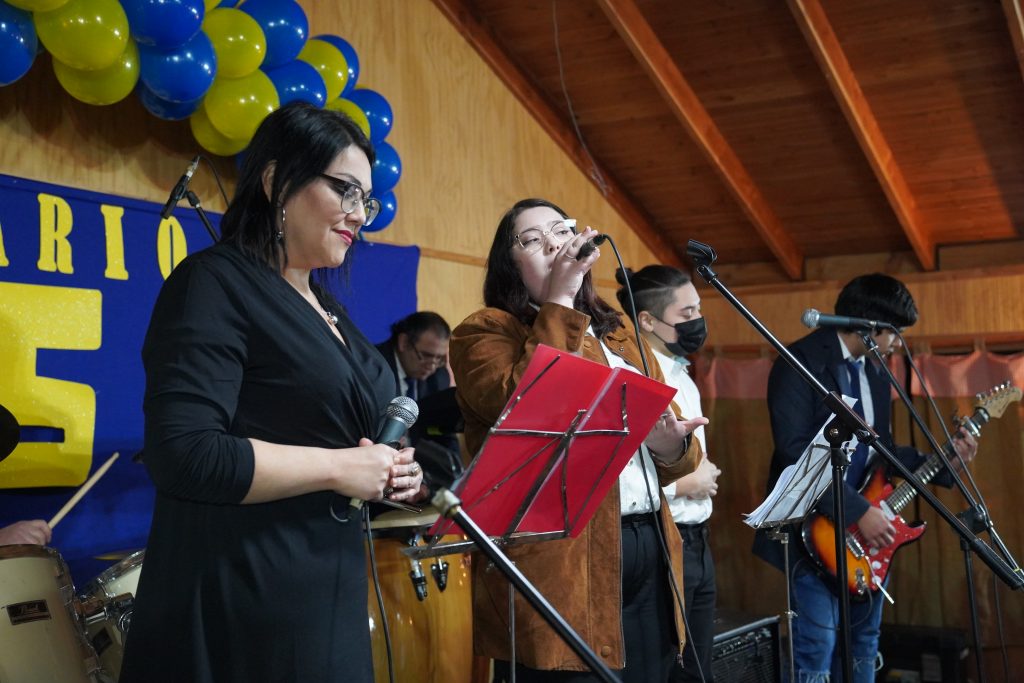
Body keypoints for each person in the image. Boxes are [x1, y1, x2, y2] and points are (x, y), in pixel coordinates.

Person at [119, 102, 423, 683]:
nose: (359, 214)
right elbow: (184, 454)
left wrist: (394, 472)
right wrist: (341, 467)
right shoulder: (213, 282)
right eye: (345, 190)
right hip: (240, 598)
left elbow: (347, 439)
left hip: (325, 593)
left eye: (367, 199)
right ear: (275, 181)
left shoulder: (325, 306)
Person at [449, 198, 708, 683]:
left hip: (649, 543)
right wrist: (560, 299)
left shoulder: (619, 330)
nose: (553, 244)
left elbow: (680, 457)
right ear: (510, 265)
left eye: (561, 230)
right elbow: (529, 405)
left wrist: (669, 444)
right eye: (532, 239)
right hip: (558, 560)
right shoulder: (483, 332)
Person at [752, 273, 977, 682]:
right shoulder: (800, 361)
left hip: (865, 538)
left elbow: (881, 452)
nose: (897, 343)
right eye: (895, 333)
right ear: (870, 325)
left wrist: (946, 462)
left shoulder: (875, 372)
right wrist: (857, 511)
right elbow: (794, 453)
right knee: (816, 647)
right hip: (812, 531)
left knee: (864, 644)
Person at [616, 265, 721, 683]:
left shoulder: (682, 372)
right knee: (661, 667)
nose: (698, 321)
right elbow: (623, 469)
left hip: (699, 541)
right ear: (647, 320)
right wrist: (685, 483)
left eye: (699, 309)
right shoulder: (635, 374)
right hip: (663, 541)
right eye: (686, 313)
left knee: (697, 671)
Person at [377, 311, 464, 493]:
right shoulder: (374, 368)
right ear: (403, 342)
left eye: (439, 359)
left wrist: (456, 480)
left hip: (417, 477)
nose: (432, 366)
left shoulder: (438, 376)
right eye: (426, 355)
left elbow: (444, 433)